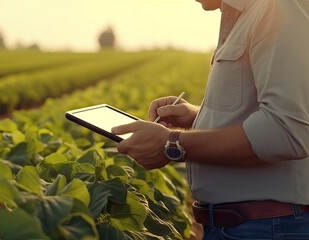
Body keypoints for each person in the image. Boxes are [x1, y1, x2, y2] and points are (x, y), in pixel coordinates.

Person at [111, 0, 309, 239]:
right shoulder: (245, 15)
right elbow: (255, 111)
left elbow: (284, 131)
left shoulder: (276, 8)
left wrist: (172, 143)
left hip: (270, 227)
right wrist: (196, 117)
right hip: (244, 226)